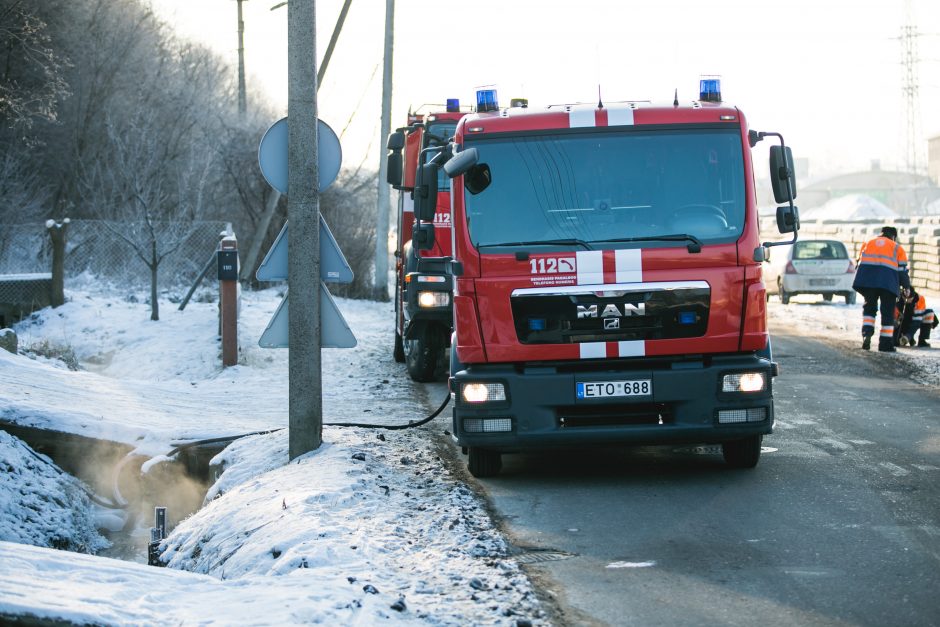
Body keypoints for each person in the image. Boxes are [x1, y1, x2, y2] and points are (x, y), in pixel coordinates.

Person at [852, 225, 910, 352]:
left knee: (869, 309)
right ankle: (885, 344)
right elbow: (902, 271)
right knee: (887, 313)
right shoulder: (897, 248)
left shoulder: (868, 243)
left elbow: (860, 263)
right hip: (887, 284)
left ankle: (866, 334)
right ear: (893, 236)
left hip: (869, 282)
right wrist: (906, 286)